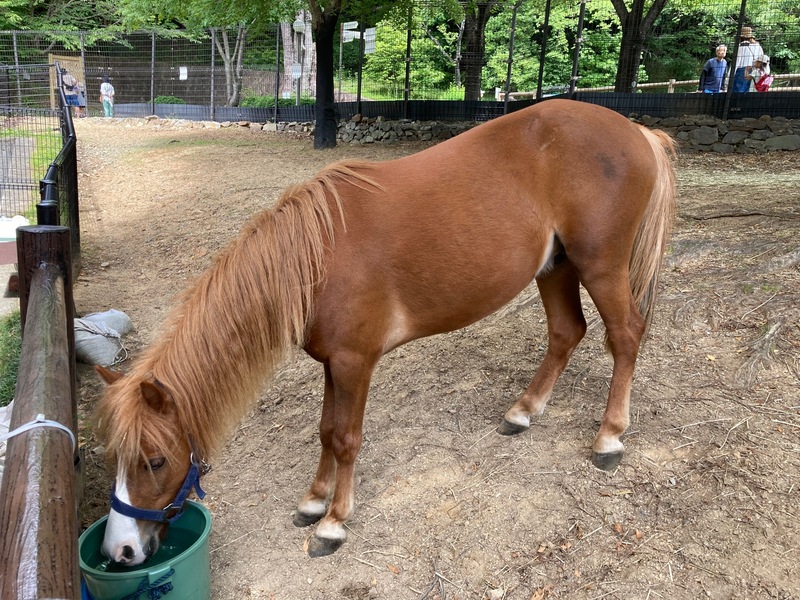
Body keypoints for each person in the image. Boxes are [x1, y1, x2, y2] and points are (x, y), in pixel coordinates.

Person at [732, 26, 765, 92]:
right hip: (753, 70)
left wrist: (732, 74)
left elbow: (737, 61)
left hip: (742, 70)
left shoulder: (742, 46)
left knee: (737, 92)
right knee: (747, 91)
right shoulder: (758, 46)